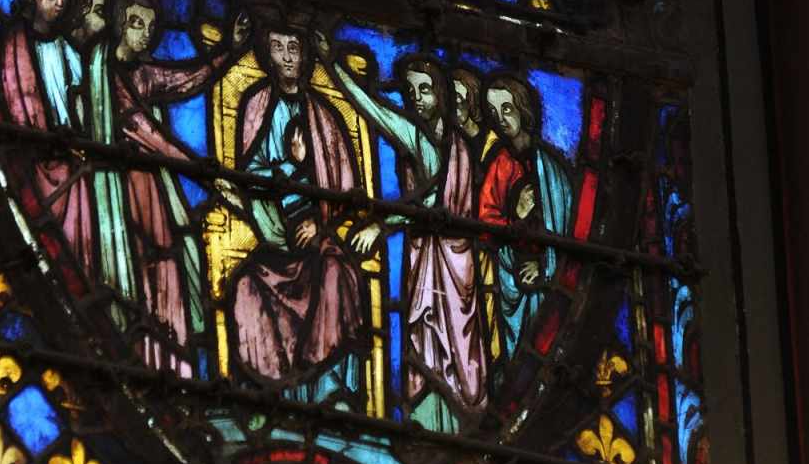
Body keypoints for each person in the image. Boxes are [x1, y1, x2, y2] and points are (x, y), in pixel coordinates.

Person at [317, 34, 486, 430]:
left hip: (455, 262)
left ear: (441, 93)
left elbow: (431, 204)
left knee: (457, 347)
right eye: (410, 92)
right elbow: (373, 109)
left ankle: (459, 427)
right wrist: (332, 65)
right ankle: (428, 425)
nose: (417, 100)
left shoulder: (447, 143)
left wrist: (382, 226)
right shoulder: (425, 137)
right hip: (425, 254)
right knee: (424, 339)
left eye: (425, 90)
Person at [84, 0, 250, 373]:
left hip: (150, 188)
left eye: (150, 27)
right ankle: (145, 354)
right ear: (119, 25)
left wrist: (229, 49)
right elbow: (143, 130)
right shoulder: (107, 72)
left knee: (167, 262)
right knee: (145, 262)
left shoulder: (144, 73)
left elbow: (185, 79)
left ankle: (172, 359)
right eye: (136, 24)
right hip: (122, 188)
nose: (145, 34)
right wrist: (203, 173)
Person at [226, 23, 368, 403]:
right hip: (274, 234)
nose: (287, 56)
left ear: (305, 55)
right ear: (266, 54)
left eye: (294, 47)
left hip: (317, 237)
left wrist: (320, 222)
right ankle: (269, 394)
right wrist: (291, 165)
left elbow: (345, 189)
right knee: (245, 285)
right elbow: (248, 175)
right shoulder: (256, 106)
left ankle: (329, 389)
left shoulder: (324, 116)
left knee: (337, 273)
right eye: (278, 46)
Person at [0, 0, 93, 275]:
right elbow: (16, 96)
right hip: (37, 155)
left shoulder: (69, 50)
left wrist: (80, 135)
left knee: (78, 239)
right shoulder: (15, 42)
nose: (60, 2)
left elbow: (85, 98)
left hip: (72, 158)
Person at [478, 75, 572, 365]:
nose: (500, 118)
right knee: (516, 358)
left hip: (546, 276)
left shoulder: (551, 168)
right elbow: (484, 222)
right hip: (511, 275)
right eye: (493, 112)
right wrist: (516, 216)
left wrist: (545, 266)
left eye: (506, 109)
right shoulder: (500, 164)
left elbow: (567, 229)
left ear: (523, 109)